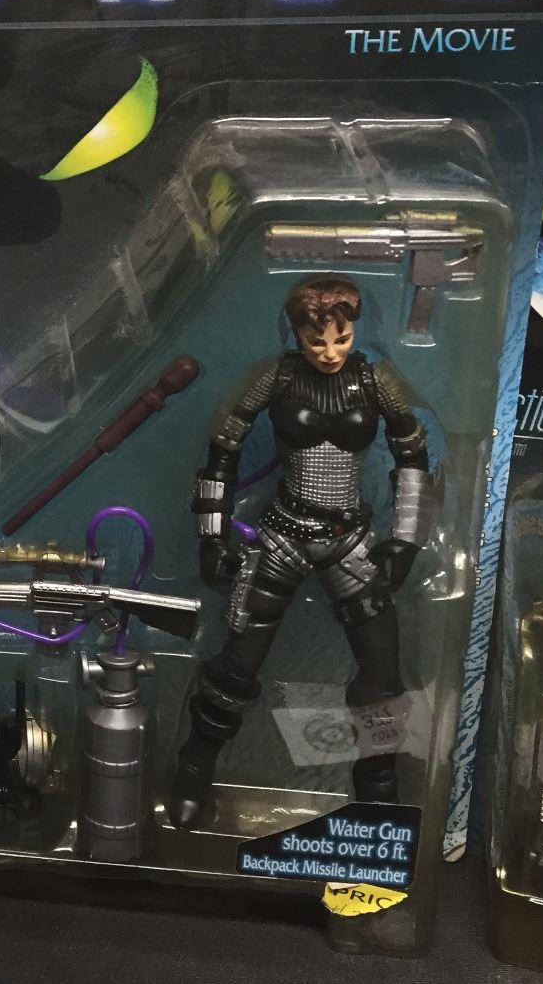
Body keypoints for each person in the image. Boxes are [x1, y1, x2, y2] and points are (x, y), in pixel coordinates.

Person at [172, 276, 432, 828]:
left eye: (341, 339)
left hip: (350, 540)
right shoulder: (276, 377)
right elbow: (222, 450)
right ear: (297, 334)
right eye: (317, 341)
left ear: (354, 331)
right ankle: (194, 765)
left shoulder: (376, 380)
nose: (330, 352)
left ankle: (377, 784)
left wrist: (407, 539)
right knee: (237, 666)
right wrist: (212, 535)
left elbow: (412, 453)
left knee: (382, 675)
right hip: (283, 534)